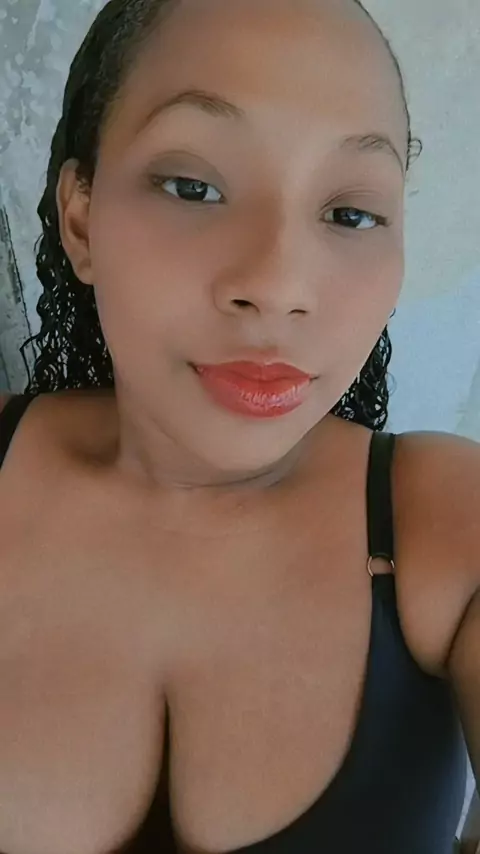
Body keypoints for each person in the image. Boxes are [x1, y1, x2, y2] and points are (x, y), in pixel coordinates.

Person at [0, 0, 478, 852]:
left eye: (350, 213)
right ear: (80, 219)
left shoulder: (446, 522)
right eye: (194, 187)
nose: (278, 284)